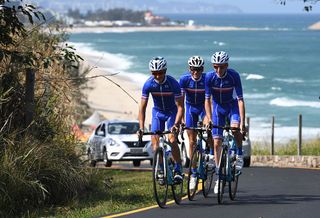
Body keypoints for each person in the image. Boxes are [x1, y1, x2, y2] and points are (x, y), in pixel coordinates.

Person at [204, 51, 246, 194]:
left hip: (232, 106)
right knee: (216, 143)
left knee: (235, 129)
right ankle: (218, 176)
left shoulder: (234, 76)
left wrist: (242, 123)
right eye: (216, 66)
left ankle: (239, 154)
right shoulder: (209, 77)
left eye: (221, 67)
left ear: (226, 65)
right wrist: (209, 118)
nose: (218, 70)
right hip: (217, 109)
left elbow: (240, 100)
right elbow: (207, 100)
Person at [138, 56, 184, 183]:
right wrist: (141, 127)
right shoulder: (148, 84)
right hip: (157, 113)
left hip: (172, 113)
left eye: (160, 73)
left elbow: (180, 107)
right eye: (154, 73)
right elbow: (142, 108)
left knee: (172, 139)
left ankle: (178, 168)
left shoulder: (173, 83)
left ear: (165, 70)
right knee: (155, 143)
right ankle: (160, 169)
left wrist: (176, 124)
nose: (157, 76)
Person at [179, 56, 214, 189]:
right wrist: (182, 120)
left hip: (203, 108)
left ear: (202, 69)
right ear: (190, 69)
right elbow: (180, 102)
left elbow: (209, 100)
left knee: (208, 128)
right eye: (193, 69)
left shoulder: (206, 79)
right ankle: (193, 174)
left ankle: (210, 153)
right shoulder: (184, 79)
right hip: (190, 109)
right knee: (192, 142)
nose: (196, 72)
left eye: (198, 70)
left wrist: (209, 118)